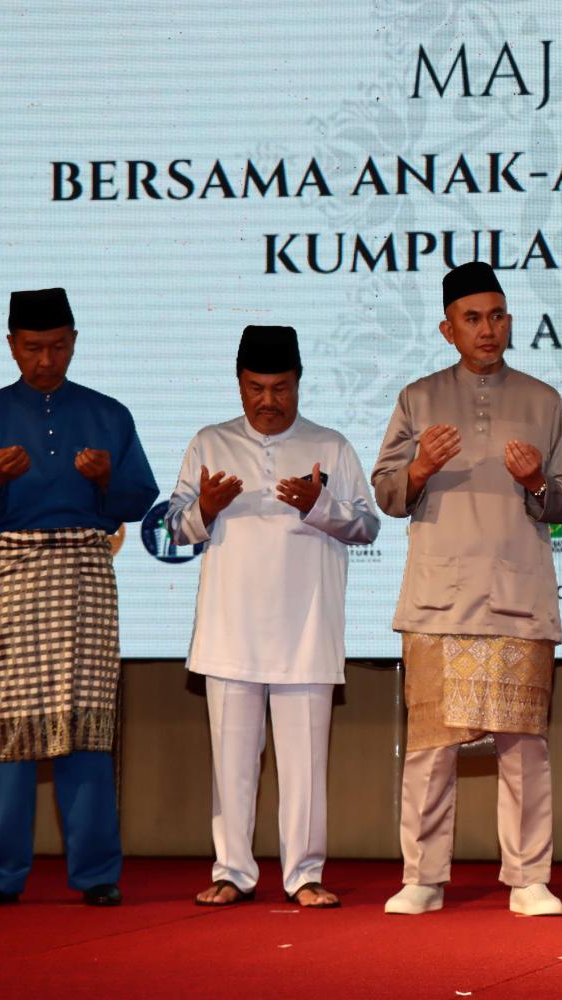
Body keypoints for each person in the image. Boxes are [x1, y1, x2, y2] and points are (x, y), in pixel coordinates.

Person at [372, 262, 562, 917]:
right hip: (439, 600)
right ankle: (423, 878)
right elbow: (386, 493)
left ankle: (528, 878)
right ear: (448, 329)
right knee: (432, 746)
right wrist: (420, 468)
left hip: (517, 597)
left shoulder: (543, 400)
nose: (486, 329)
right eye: (472, 319)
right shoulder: (418, 398)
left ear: (509, 322)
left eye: (496, 316)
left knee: (523, 745)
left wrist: (537, 482)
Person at [0, 287, 158, 907]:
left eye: (57, 346)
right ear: (11, 345)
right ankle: (0, 875)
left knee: (86, 727)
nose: (45, 359)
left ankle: (96, 874)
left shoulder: (108, 414)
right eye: (33, 347)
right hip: (12, 577)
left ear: (74, 342)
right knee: (10, 729)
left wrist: (106, 480)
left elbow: (140, 498)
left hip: (84, 575)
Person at [166, 325, 380, 908]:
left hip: (306, 630)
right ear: (239, 384)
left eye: (281, 388)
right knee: (231, 766)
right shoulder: (209, 443)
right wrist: (205, 508)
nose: (268, 400)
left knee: (305, 767)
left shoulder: (331, 445)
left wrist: (319, 505)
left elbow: (367, 525)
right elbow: (175, 528)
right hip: (229, 629)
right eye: (256, 388)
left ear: (299, 383)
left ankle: (304, 874)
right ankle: (232, 871)